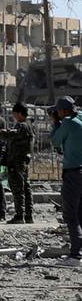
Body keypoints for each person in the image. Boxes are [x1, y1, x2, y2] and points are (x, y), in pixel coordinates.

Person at [50, 96, 82, 266]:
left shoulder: (68, 123)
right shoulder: (79, 118)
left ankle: (75, 256)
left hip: (73, 173)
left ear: (62, 111)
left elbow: (55, 140)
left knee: (71, 215)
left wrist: (56, 123)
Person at [0, 102, 34, 224]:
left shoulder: (22, 126)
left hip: (17, 161)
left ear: (18, 113)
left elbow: (12, 135)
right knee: (25, 188)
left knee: (18, 189)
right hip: (22, 161)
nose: (13, 116)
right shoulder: (28, 125)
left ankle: (20, 215)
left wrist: (1, 133)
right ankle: (28, 215)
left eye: (14, 113)